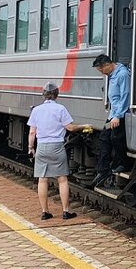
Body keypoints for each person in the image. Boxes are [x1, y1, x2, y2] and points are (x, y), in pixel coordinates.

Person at [27, 82, 88, 220]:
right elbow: (70, 128)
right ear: (57, 95)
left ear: (43, 95)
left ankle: (45, 212)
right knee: (62, 179)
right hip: (57, 146)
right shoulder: (61, 109)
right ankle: (66, 211)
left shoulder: (36, 110)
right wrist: (84, 126)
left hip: (42, 146)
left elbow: (32, 132)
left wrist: (31, 148)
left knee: (42, 180)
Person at [91, 54, 130, 187]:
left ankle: (122, 164)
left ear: (107, 65)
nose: (102, 73)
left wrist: (118, 116)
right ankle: (103, 169)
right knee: (104, 138)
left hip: (119, 115)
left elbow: (125, 96)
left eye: (102, 70)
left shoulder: (122, 75)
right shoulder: (113, 75)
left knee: (116, 138)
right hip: (113, 114)